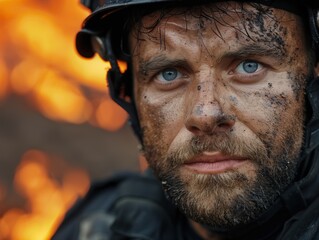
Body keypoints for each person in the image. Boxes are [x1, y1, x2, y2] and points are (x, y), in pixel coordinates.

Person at [52, 1, 319, 239]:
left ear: (312, 79)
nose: (205, 115)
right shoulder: (94, 228)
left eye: (249, 66)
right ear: (129, 94)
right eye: (168, 74)